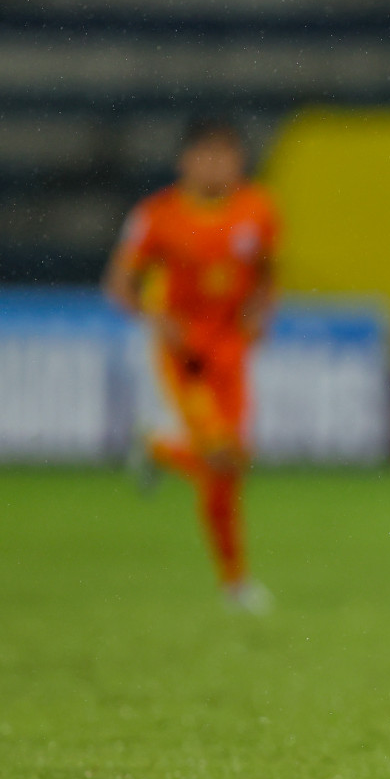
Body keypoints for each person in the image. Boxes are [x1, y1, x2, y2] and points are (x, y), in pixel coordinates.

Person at [103, 117, 278, 614]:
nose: (215, 165)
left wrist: (260, 312)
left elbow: (266, 271)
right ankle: (236, 583)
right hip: (184, 357)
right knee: (221, 457)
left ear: (239, 161)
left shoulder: (258, 209)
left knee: (230, 467)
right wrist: (157, 321)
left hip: (232, 353)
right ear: (185, 161)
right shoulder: (157, 217)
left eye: (224, 155)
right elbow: (119, 284)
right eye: (205, 155)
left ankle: (158, 449)